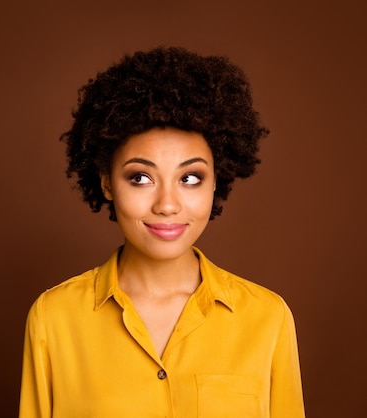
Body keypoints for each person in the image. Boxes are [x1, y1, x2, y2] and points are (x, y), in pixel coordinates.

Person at [19, 46, 305, 418]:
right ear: (107, 183)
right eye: (140, 178)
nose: (167, 204)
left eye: (190, 178)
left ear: (215, 182)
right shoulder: (53, 318)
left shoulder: (268, 318)